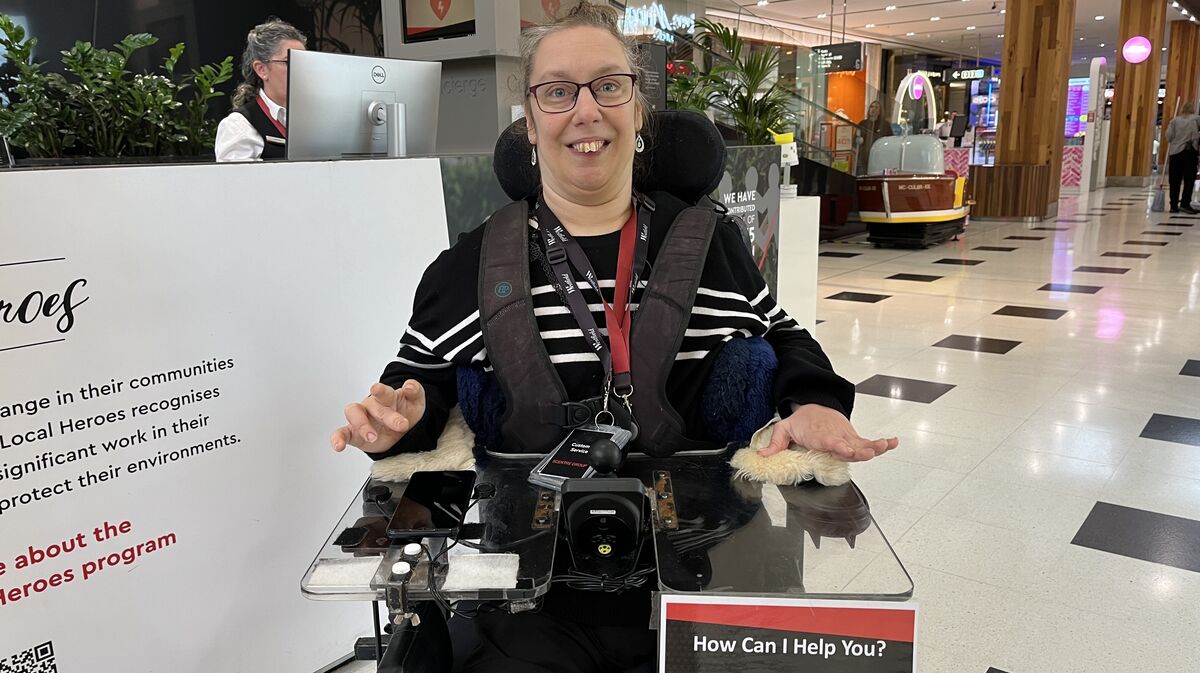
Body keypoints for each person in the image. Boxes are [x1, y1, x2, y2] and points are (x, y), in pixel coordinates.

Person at [330, 5, 897, 671]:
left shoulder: (710, 244)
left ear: (637, 109)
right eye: (557, 91)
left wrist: (813, 401)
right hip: (527, 598)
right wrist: (403, 417)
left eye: (608, 85)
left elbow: (781, 334)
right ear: (531, 123)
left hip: (700, 576)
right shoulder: (470, 267)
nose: (586, 110)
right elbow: (418, 380)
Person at [214, 18, 306, 162]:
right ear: (261, 69)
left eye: (304, 62)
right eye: (290, 62)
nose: (301, 70)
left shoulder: (314, 118)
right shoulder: (239, 127)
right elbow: (237, 183)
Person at [1164, 100, 1200, 213]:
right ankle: (1185, 203)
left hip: (1175, 153)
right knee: (1189, 179)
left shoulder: (1174, 121)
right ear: (1193, 109)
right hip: (1190, 152)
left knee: (1174, 180)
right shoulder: (1197, 119)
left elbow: (1168, 137)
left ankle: (1173, 205)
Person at [857, 99, 892, 175]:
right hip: (863, 159)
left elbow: (890, 142)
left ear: (880, 112)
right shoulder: (863, 123)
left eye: (876, 107)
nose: (873, 109)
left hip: (879, 159)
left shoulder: (885, 125)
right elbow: (855, 141)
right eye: (871, 107)